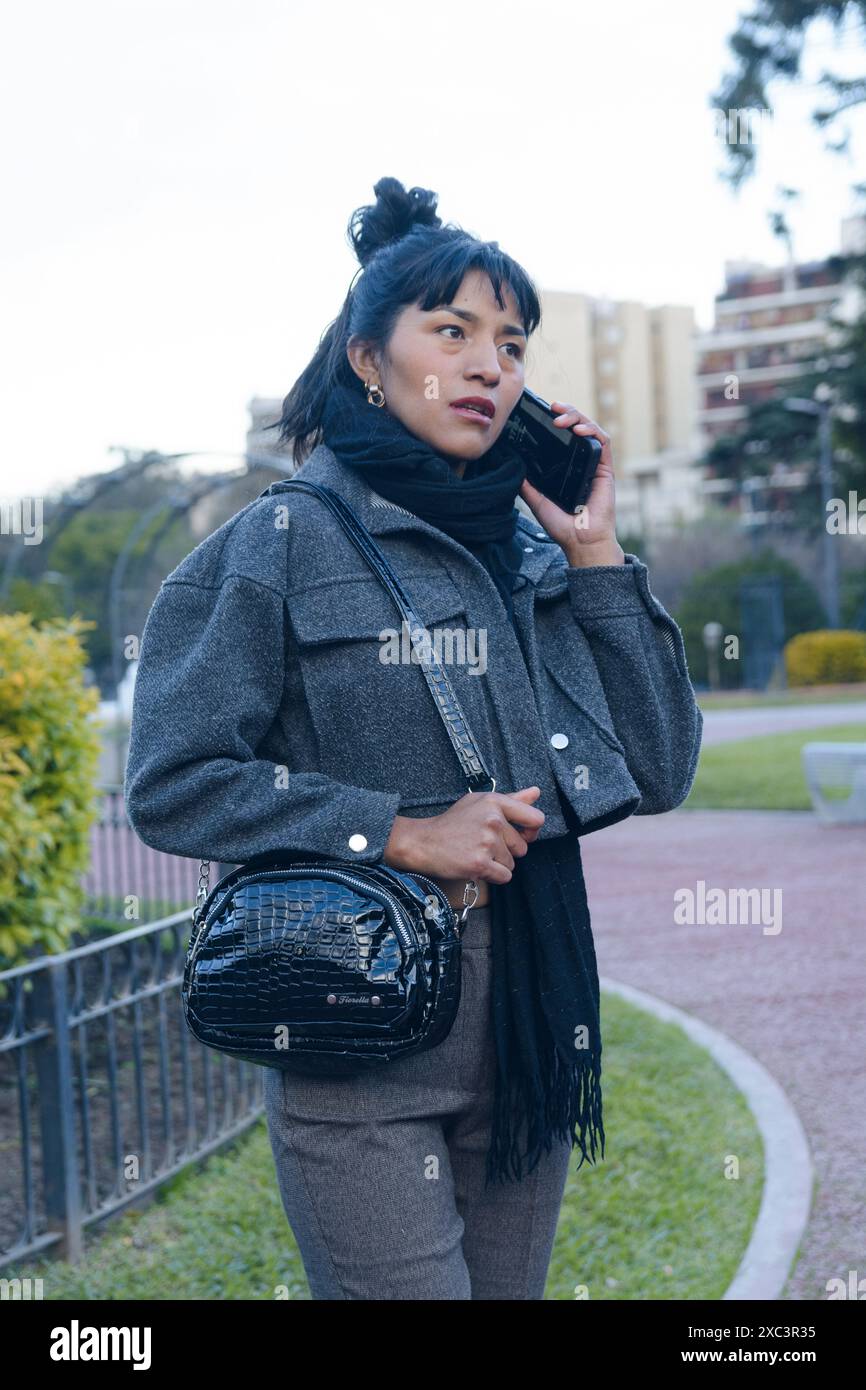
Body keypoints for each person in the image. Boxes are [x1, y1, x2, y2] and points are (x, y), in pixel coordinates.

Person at [124, 176, 703, 1300]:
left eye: (512, 343)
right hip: (358, 1042)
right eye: (452, 331)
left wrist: (595, 556)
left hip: (530, 1038)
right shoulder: (276, 543)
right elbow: (175, 784)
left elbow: (663, 764)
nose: (491, 365)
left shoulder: (537, 558)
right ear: (366, 360)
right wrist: (395, 831)